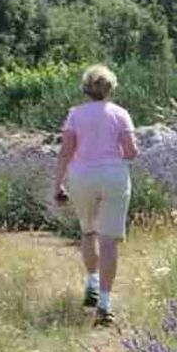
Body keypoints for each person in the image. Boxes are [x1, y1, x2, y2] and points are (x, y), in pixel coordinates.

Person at [53, 64, 139, 324]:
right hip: (113, 175)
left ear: (85, 88)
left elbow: (66, 151)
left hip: (82, 176)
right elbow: (131, 151)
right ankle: (105, 301)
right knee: (109, 240)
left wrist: (57, 184)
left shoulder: (75, 115)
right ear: (110, 88)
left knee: (88, 230)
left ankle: (91, 281)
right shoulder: (121, 114)